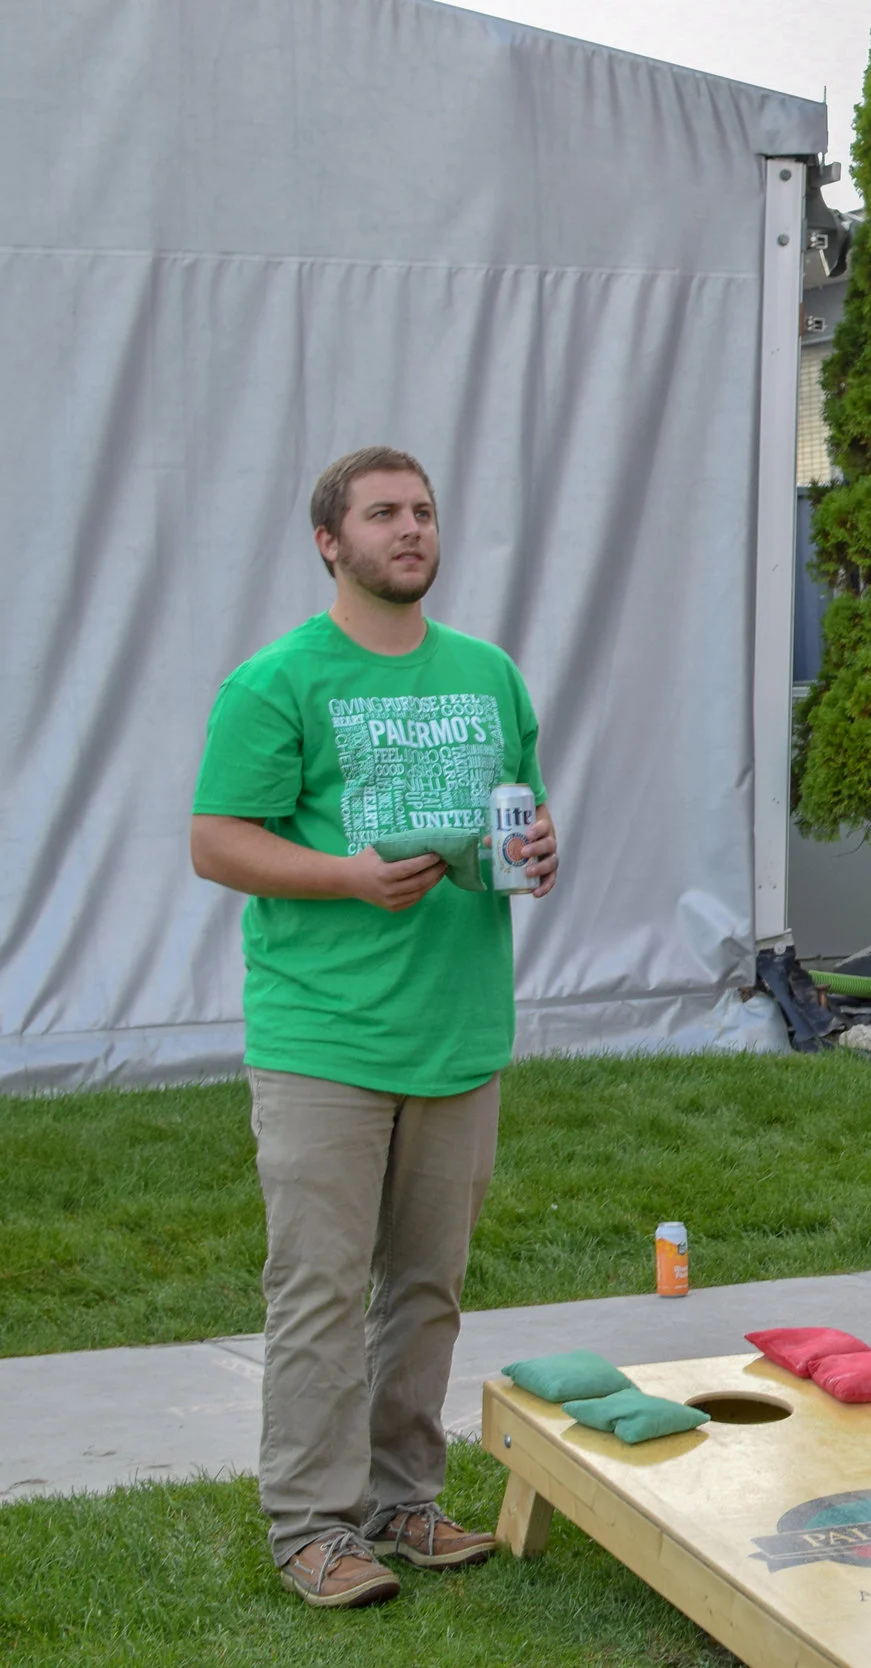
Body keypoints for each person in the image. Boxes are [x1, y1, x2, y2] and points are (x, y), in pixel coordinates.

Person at [189, 447, 558, 1607]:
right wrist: (347, 877)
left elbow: (518, 816)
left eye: (424, 512)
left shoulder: (488, 674)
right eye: (384, 513)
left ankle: (402, 1501)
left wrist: (537, 848)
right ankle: (310, 1523)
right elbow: (217, 841)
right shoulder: (276, 682)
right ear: (329, 542)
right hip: (324, 1038)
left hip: (459, 1029)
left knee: (426, 1289)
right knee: (319, 1290)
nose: (410, 529)